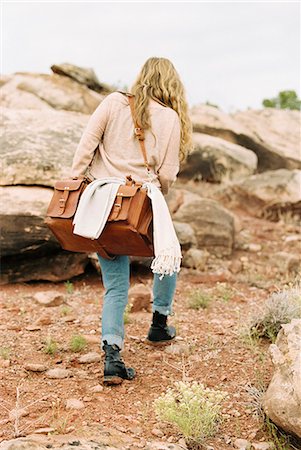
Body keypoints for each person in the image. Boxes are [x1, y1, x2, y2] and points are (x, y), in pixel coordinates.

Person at [71, 57, 192, 385]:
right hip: (140, 202)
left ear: (142, 78)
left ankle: (112, 354)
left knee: (115, 285)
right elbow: (167, 174)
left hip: (102, 205)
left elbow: (86, 146)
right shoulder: (170, 118)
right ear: (172, 86)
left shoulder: (113, 102)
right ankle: (159, 322)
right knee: (168, 256)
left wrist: (73, 181)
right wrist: (157, 191)